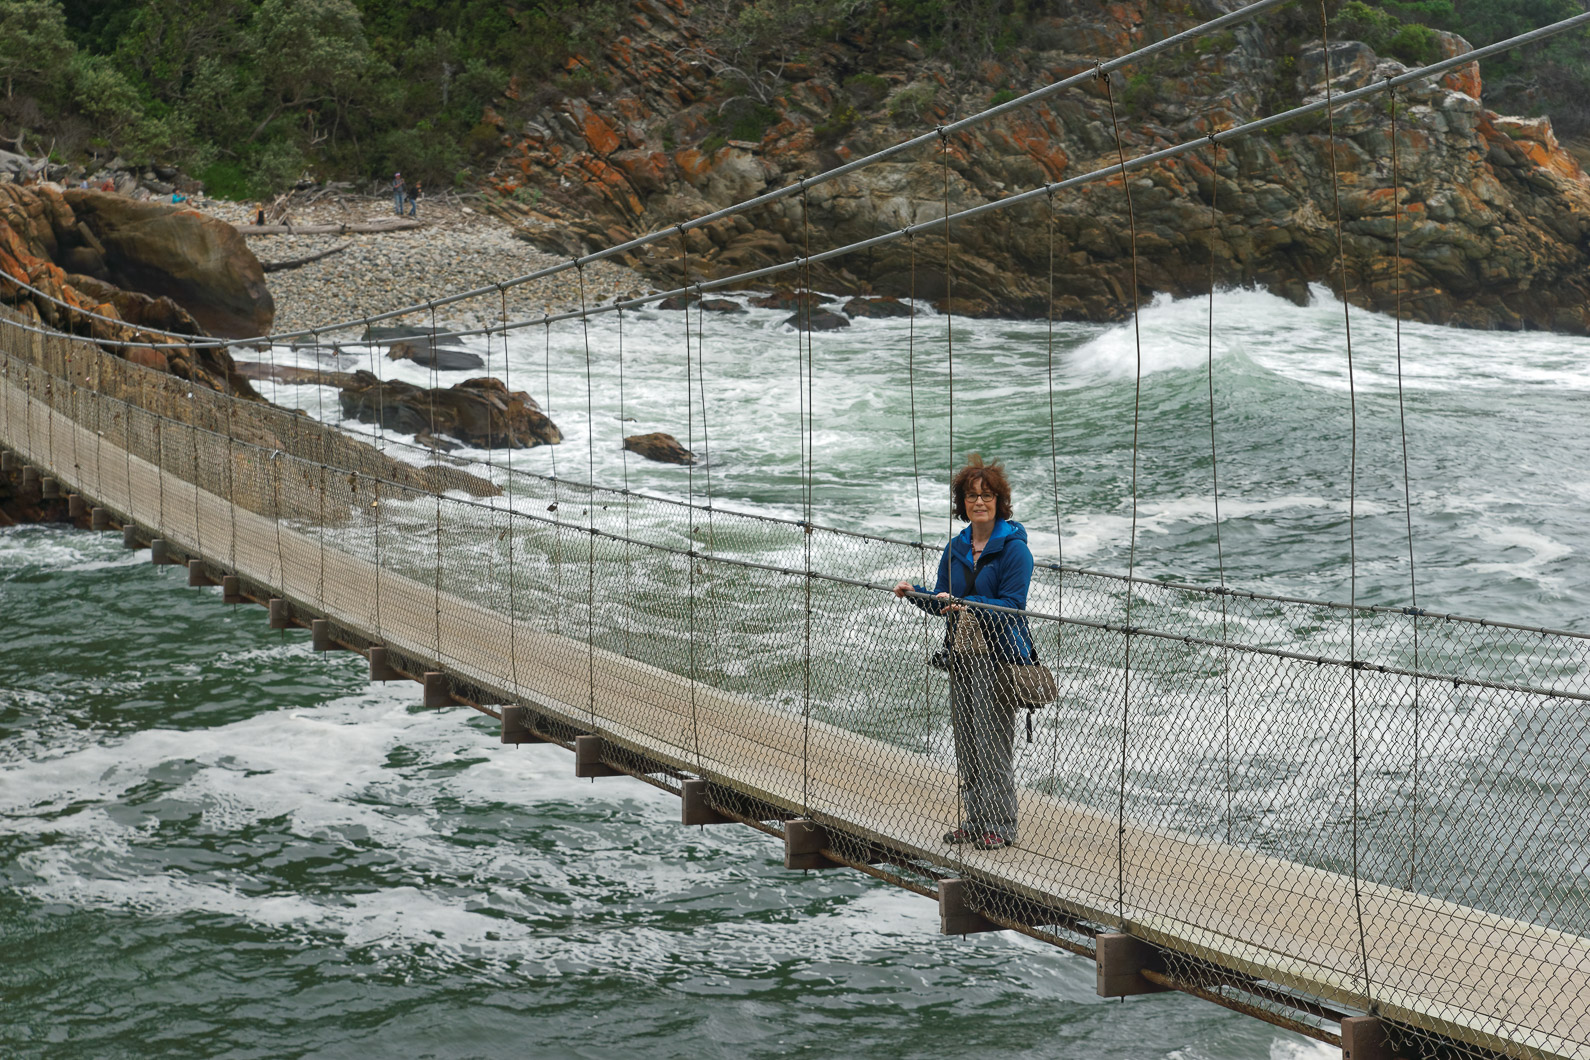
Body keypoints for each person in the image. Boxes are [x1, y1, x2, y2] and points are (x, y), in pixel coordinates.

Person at [893, 454, 1035, 851]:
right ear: (963, 504)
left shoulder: (1015, 550)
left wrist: (967, 602)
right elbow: (943, 600)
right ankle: (975, 821)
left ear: (999, 502)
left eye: (987, 496)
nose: (979, 503)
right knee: (968, 742)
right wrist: (916, 595)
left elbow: (1013, 604)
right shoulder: (956, 548)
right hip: (961, 655)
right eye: (972, 497)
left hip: (998, 656)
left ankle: (1002, 826)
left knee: (994, 744)